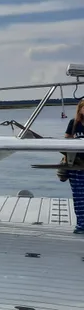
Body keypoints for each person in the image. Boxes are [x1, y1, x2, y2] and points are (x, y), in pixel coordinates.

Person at [65, 100, 84, 233]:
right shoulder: (73, 123)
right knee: (79, 197)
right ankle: (81, 225)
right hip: (76, 165)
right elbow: (66, 141)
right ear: (80, 109)